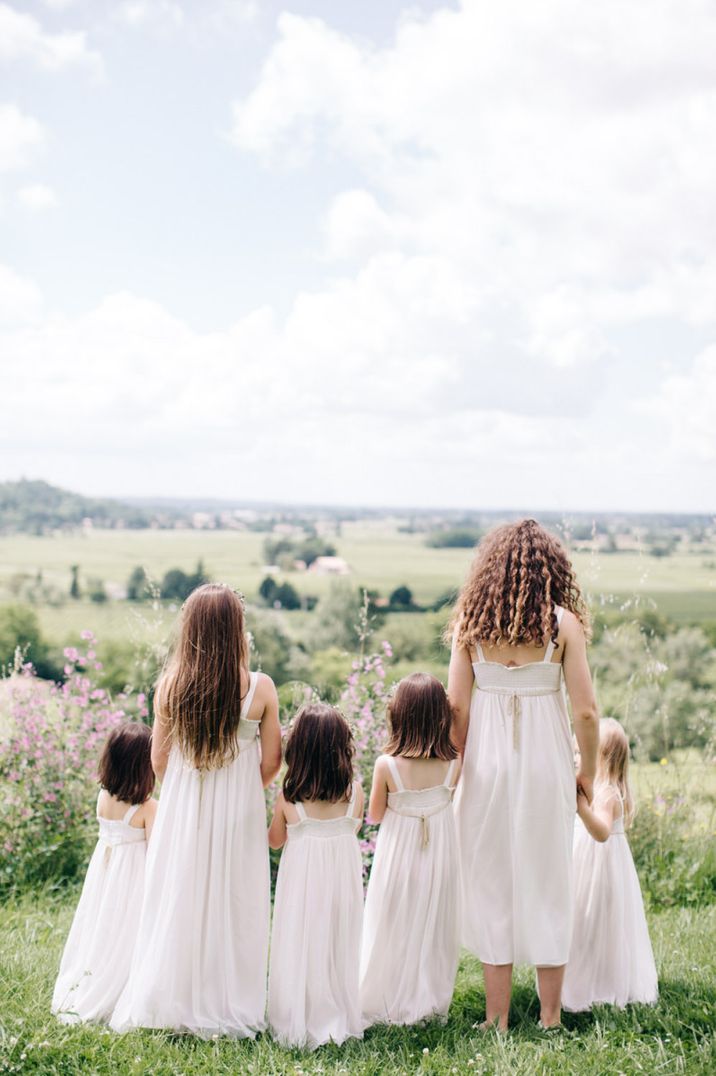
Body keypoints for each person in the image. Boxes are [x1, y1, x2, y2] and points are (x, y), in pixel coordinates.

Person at [111, 583, 282, 1037]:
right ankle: (231, 998)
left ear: (191, 629)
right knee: (236, 898)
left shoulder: (170, 686)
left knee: (179, 894)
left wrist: (189, 791)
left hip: (184, 810)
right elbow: (272, 760)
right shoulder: (261, 688)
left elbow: (159, 760)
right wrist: (245, 788)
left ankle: (175, 995)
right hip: (239, 812)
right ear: (236, 630)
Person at [448, 518, 599, 1029]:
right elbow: (586, 713)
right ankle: (551, 1015)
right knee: (548, 877)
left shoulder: (472, 622)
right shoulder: (564, 626)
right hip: (545, 765)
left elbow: (456, 709)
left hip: (485, 767)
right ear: (551, 569)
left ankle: (497, 1016)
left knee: (492, 879)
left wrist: (461, 769)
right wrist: (589, 774)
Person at [360, 673, 461, 1026]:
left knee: (393, 920)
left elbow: (374, 814)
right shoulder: (454, 763)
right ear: (441, 716)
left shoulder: (387, 765)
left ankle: (386, 997)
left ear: (398, 715)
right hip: (441, 854)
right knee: (432, 923)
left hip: (398, 853)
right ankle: (428, 999)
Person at [268, 702, 364, 1049]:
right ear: (342, 748)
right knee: (337, 942)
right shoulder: (354, 794)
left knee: (301, 940)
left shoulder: (289, 797)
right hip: (343, 882)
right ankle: (337, 1007)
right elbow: (353, 828)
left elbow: (275, 841)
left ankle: (301, 1011)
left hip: (303, 884)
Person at [52, 723, 157, 1024]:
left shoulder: (104, 797)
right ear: (143, 766)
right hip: (133, 877)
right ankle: (120, 985)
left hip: (105, 873)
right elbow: (156, 854)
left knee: (101, 925)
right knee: (127, 930)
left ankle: (90, 974)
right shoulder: (149, 809)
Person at [563, 718, 658, 1011]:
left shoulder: (607, 795)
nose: (577, 759)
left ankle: (602, 982)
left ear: (602, 757)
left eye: (582, 754)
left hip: (601, 868)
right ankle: (579, 976)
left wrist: (579, 807)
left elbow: (602, 833)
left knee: (599, 921)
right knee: (580, 921)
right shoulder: (598, 788)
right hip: (585, 864)